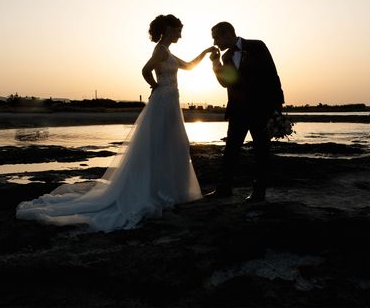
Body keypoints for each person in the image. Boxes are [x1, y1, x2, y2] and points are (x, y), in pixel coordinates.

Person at [16, 14, 216, 232]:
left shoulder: (167, 51)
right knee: (159, 145)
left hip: (170, 103)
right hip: (163, 102)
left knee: (173, 144)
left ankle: (169, 190)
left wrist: (205, 53)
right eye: (178, 29)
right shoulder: (160, 50)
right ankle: (157, 191)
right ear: (169, 29)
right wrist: (155, 86)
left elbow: (188, 66)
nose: (180, 34)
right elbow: (145, 70)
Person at [206, 21, 284, 202]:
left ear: (227, 34)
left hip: (261, 110)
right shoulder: (225, 57)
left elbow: (272, 75)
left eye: (216, 38)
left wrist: (277, 108)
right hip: (237, 111)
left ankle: (259, 191)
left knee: (261, 151)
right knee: (231, 150)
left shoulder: (257, 46)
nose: (215, 43)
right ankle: (224, 188)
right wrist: (215, 62)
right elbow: (226, 82)